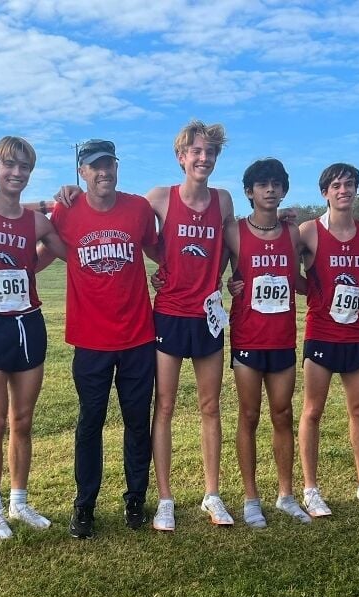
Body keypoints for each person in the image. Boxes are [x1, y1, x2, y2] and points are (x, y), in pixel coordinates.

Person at [46, 139, 159, 538]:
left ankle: (135, 498)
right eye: (94, 166)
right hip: (90, 339)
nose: (103, 172)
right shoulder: (67, 208)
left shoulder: (139, 209)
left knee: (136, 421)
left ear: (117, 167)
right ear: (82, 172)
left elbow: (158, 248)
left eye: (108, 164)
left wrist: (174, 274)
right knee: (90, 421)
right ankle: (85, 505)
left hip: (137, 336)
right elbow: (44, 235)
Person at [0, 136, 66, 540]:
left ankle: (19, 502)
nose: (16, 173)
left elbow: (64, 250)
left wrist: (29, 272)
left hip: (29, 323)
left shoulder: (37, 222)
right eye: (9, 165)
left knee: (22, 419)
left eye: (24, 167)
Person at [144, 121, 236, 531]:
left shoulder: (225, 200)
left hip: (208, 316)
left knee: (210, 406)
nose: (204, 158)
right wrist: (159, 263)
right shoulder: (160, 198)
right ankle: (165, 499)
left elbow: (233, 244)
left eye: (210, 153)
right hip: (168, 314)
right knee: (163, 406)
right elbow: (139, 233)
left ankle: (212, 494)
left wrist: (228, 279)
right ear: (181, 156)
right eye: (196, 152)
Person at [297, 163, 359, 519]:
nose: (343, 190)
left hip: (357, 332)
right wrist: (315, 292)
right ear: (325, 192)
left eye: (349, 184)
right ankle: (311, 488)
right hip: (321, 331)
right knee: (313, 410)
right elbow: (287, 270)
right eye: (336, 185)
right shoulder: (309, 231)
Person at [225, 158, 310, 528]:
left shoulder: (293, 233)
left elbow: (325, 249)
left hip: (281, 338)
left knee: (283, 414)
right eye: (263, 184)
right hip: (247, 336)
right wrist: (229, 284)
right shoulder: (233, 231)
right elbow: (211, 267)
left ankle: (286, 495)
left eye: (276, 184)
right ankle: (250, 499)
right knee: (249, 415)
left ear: (284, 190)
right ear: (250, 192)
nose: (270, 190)